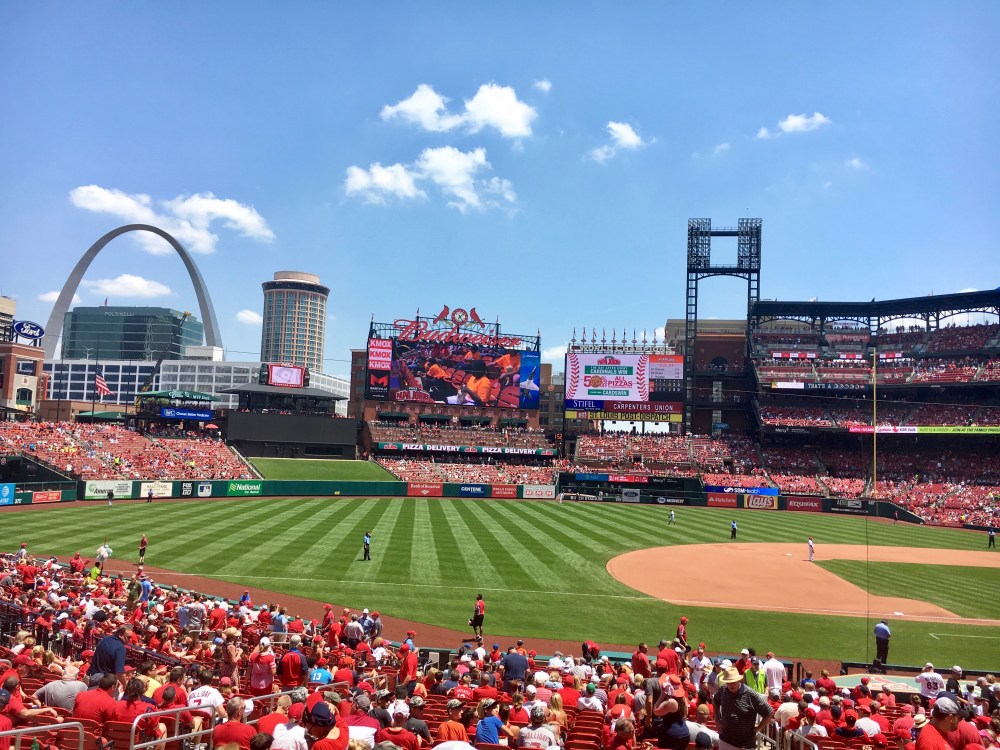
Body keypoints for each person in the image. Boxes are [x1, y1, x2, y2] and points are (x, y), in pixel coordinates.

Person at [712, 666, 773, 750]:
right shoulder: (723, 689)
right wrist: (717, 719)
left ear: (739, 681)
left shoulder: (750, 694)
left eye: (733, 682)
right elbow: (715, 701)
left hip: (745, 744)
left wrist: (758, 728)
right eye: (728, 683)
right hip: (725, 740)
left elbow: (769, 712)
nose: (730, 685)